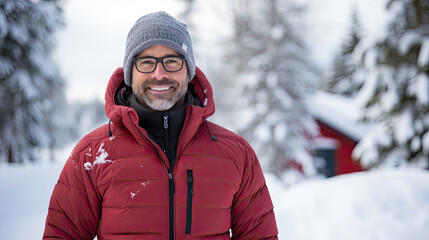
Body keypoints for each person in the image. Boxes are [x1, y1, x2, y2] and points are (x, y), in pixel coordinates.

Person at [43, 11, 278, 240]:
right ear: (130, 73)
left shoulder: (237, 154)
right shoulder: (92, 154)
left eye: (172, 61)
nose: (159, 73)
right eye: (146, 62)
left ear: (188, 71)